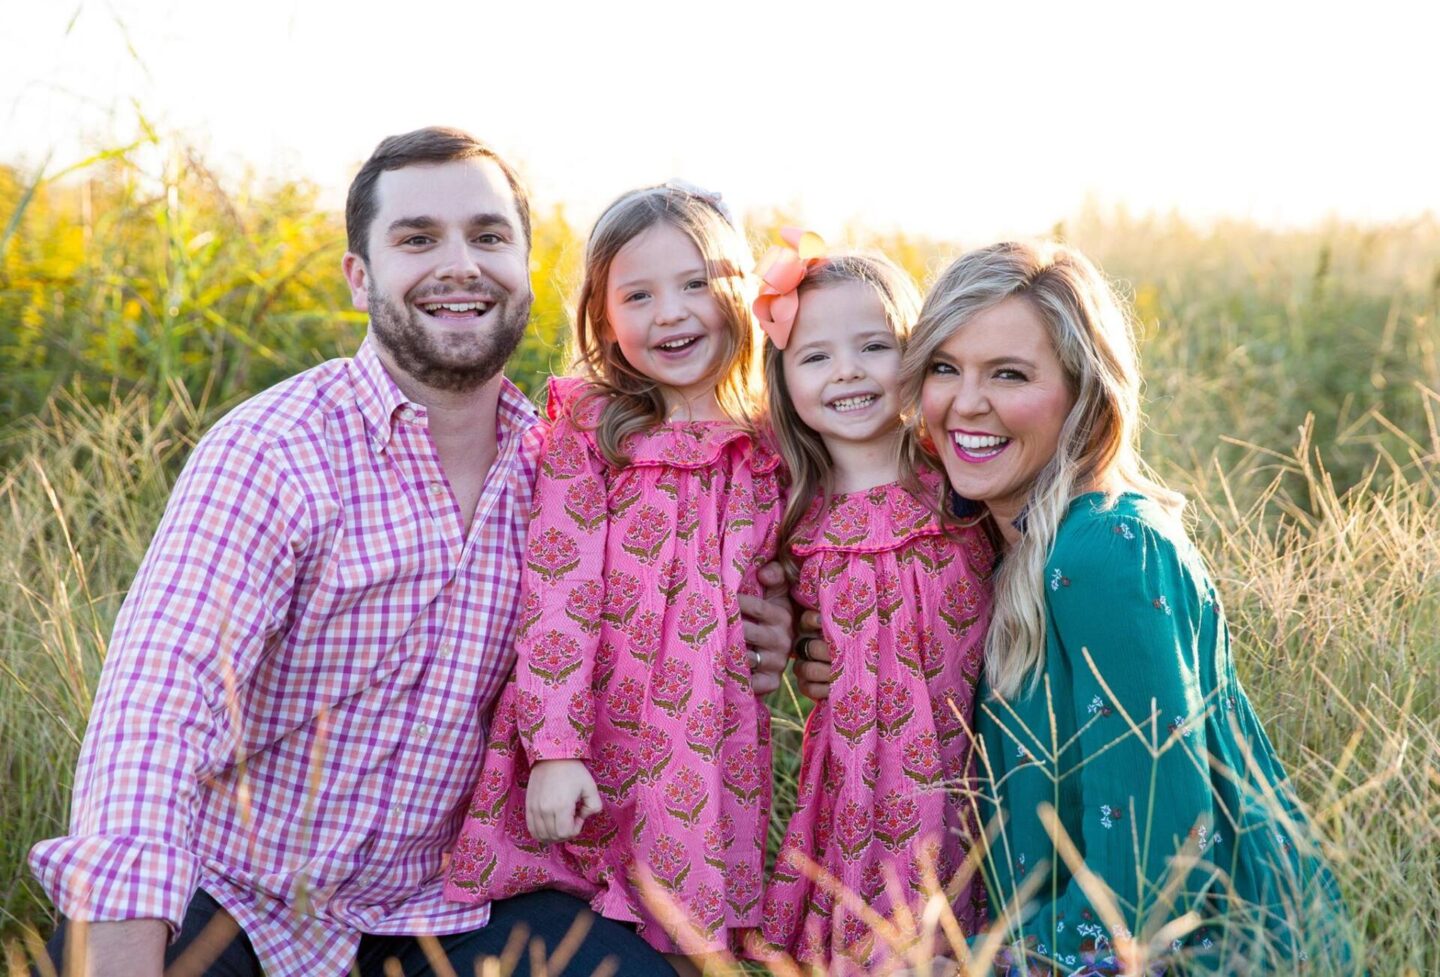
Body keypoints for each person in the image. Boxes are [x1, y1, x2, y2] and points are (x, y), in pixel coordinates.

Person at [28, 129, 795, 977]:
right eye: (419, 238)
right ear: (360, 276)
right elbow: (156, 714)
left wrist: (762, 633)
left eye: (489, 237)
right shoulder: (275, 453)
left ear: (528, 272)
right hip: (236, 900)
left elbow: (660, 611)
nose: (460, 265)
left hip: (443, 906)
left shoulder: (569, 469)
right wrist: (127, 946)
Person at [898, 240, 1354, 974]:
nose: (965, 402)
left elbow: (1157, 869)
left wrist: (979, 964)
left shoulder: (1104, 550)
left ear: (1084, 395)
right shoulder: (1004, 546)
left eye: (1009, 374)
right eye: (945, 368)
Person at [444, 182, 782, 969]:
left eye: (697, 283)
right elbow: (557, 595)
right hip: (599, 720)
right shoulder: (595, 432)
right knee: (574, 886)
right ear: (604, 319)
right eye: (639, 294)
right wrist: (555, 746)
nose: (671, 313)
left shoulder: (770, 442)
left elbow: (789, 580)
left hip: (706, 730)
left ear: (747, 294)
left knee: (682, 930)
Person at [740, 232, 993, 975]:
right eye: (815, 356)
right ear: (782, 378)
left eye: (873, 347)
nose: (846, 371)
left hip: (967, 758)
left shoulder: (958, 477)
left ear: (915, 356)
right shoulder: (787, 505)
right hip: (856, 773)